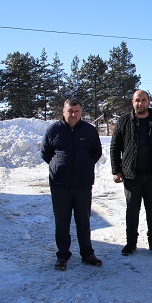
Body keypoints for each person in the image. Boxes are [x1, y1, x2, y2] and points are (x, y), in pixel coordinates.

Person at [40, 98, 103, 271]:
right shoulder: (54, 130)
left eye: (76, 111)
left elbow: (96, 152)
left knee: (83, 221)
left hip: (83, 185)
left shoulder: (89, 130)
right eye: (70, 111)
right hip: (60, 185)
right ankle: (63, 255)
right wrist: (59, 167)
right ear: (63, 111)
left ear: (81, 112)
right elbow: (46, 153)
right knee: (62, 222)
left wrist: (84, 167)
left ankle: (87, 254)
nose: (73, 114)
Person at [110, 90, 152, 256]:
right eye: (137, 100)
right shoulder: (124, 121)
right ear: (132, 102)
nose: (140, 103)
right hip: (131, 175)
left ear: (148, 102)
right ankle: (131, 243)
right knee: (132, 210)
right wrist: (116, 170)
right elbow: (115, 147)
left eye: (143, 100)